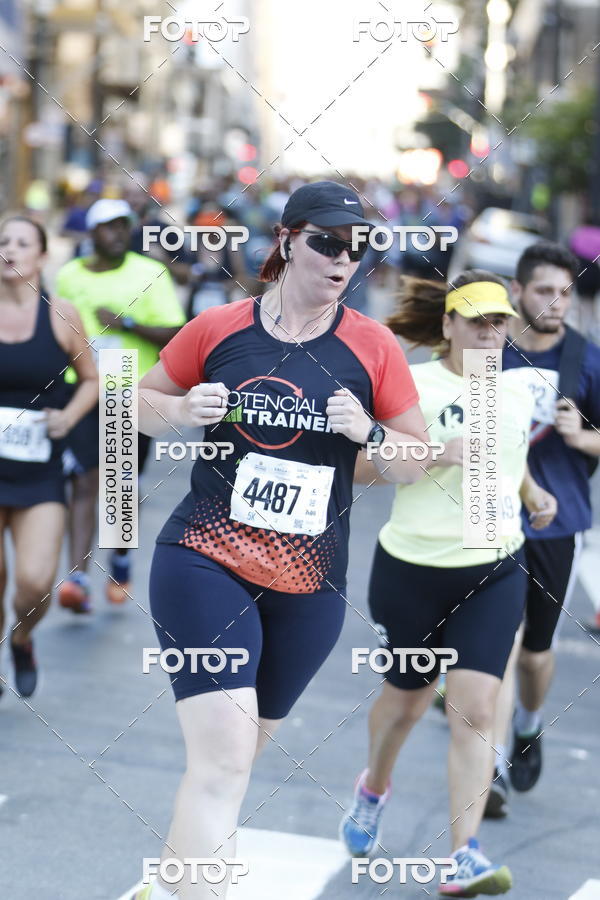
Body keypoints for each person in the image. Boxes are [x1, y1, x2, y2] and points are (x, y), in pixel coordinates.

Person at [132, 181, 431, 899]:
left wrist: (370, 433)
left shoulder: (372, 346)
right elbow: (134, 409)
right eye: (328, 242)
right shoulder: (221, 327)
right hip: (206, 560)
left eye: (357, 249)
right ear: (288, 240)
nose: (343, 260)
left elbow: (414, 460)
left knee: (229, 766)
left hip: (309, 584)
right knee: (224, 761)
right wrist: (180, 408)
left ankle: (164, 888)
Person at [339, 272, 557, 897]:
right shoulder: (414, 386)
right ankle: (374, 786)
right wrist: (435, 452)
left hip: (494, 568)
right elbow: (359, 467)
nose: (490, 333)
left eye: (499, 322)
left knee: (477, 709)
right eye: (476, 321)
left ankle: (465, 854)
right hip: (412, 570)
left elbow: (510, 458)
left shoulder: (518, 391)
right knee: (407, 702)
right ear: (448, 326)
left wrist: (532, 492)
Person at [496, 241, 600, 794]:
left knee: (535, 655)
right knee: (496, 643)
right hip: (488, 516)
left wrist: (579, 434)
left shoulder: (587, 359)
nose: (556, 303)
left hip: (555, 527)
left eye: (564, 292)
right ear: (518, 291)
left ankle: (528, 726)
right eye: (543, 291)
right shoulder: (491, 349)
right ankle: (485, 767)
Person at [55, 198, 186, 611]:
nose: (117, 234)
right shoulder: (69, 275)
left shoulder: (150, 273)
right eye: (108, 227)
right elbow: (57, 329)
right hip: (81, 387)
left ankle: (121, 560)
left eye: (124, 226)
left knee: (119, 486)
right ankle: (77, 577)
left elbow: (175, 334)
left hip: (129, 387)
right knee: (83, 481)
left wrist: (126, 323)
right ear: (91, 233)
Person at [0, 217, 97, 696]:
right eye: (3, 241)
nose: (9, 249)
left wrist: (70, 415)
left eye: (22, 242)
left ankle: (22, 638)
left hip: (40, 472)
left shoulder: (62, 314)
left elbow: (94, 380)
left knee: (35, 584)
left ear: (41, 256)